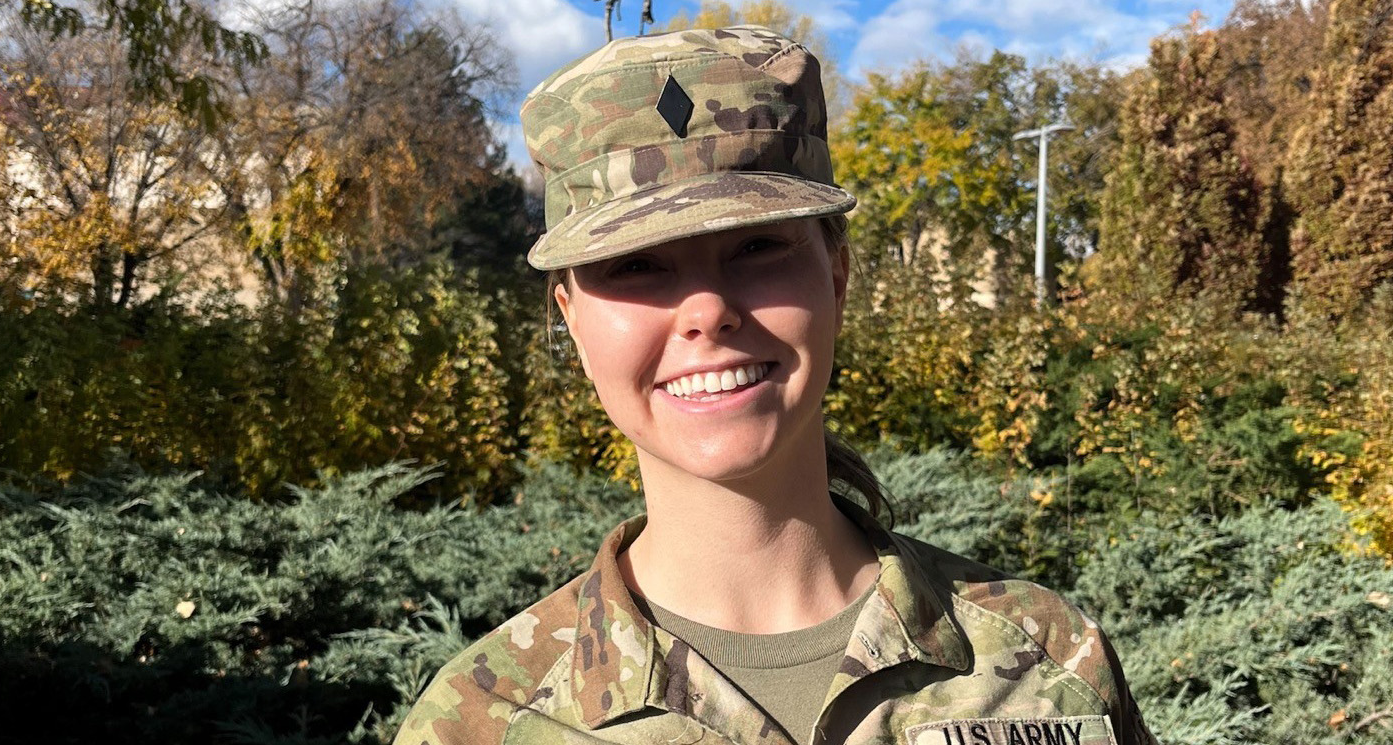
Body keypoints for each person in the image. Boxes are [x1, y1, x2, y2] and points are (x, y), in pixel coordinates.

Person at [394, 25, 1158, 745]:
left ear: (837, 274)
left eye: (757, 245)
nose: (707, 311)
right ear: (571, 319)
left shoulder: (1053, 659)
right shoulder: (482, 718)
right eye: (634, 265)